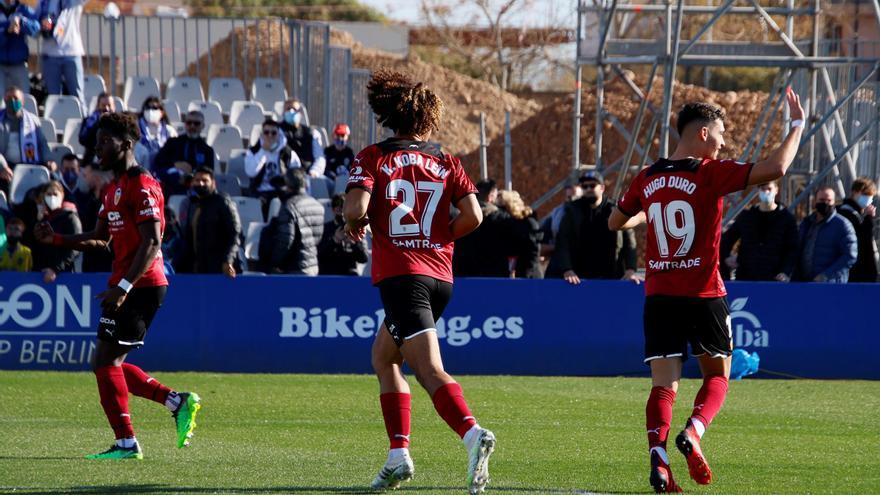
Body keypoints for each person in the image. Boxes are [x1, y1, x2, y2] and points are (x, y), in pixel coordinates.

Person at [609, 89, 805, 493]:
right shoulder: (708, 171)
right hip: (702, 293)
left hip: (659, 294)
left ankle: (658, 457)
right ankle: (694, 432)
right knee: (718, 375)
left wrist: (651, 208)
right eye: (720, 133)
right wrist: (798, 124)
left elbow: (615, 221)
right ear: (700, 134)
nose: (723, 142)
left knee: (663, 384)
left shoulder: (647, 177)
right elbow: (777, 167)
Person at [344, 69, 495, 494]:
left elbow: (356, 208)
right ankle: (398, 455)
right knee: (383, 357)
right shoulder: (447, 160)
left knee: (429, 370)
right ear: (427, 117)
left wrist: (353, 222)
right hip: (440, 277)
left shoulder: (373, 156)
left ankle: (473, 434)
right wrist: (438, 237)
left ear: (388, 114)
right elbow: (475, 216)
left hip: (402, 276)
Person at [34, 112, 200, 459]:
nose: (97, 149)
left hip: (142, 284)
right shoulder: (112, 190)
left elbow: (152, 242)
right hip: (127, 284)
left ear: (125, 144)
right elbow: (100, 239)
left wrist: (123, 286)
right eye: (96, 143)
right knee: (108, 362)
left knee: (105, 362)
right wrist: (58, 239)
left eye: (104, 142)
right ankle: (176, 402)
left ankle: (127, 442)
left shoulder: (142, 184)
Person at [546, 170, 638, 283]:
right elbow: (563, 242)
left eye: (592, 185)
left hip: (611, 276)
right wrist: (567, 270)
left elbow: (629, 243)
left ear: (602, 188)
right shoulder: (572, 210)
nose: (588, 189)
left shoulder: (615, 210)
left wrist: (630, 270)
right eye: (585, 186)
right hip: (580, 278)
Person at [719, 181, 798, 281]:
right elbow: (727, 239)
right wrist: (727, 256)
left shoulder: (786, 219)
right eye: (762, 189)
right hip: (746, 277)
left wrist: (785, 271)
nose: (766, 192)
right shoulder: (747, 216)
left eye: (769, 189)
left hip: (774, 278)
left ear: (776, 190)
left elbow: (792, 248)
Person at [175, 167, 240, 277]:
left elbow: (235, 234)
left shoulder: (223, 202)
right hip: (196, 267)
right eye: (197, 180)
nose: (200, 183)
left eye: (205, 180)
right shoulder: (191, 204)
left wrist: (228, 260)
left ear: (213, 183)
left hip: (219, 268)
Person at [793, 186, 857, 283]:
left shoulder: (843, 225)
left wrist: (826, 276)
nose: (825, 203)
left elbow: (850, 256)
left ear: (834, 202)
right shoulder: (806, 223)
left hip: (831, 286)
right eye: (822, 200)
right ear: (815, 201)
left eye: (829, 200)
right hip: (804, 283)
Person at [268, 167, 324, 275]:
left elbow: (286, 240)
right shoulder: (317, 205)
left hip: (295, 268)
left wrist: (274, 263)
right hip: (312, 266)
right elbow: (318, 237)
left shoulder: (289, 206)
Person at [453, 178, 511, 277]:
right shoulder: (502, 219)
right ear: (490, 196)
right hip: (494, 276)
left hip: (463, 275)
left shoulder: (460, 216)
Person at [153, 110, 215, 197]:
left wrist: (191, 177)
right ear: (185, 124)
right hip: (172, 188)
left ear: (203, 126)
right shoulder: (173, 142)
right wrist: (175, 164)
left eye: (196, 123)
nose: (192, 126)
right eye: (189, 123)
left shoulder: (207, 150)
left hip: (196, 189)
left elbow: (209, 173)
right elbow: (158, 161)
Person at [0, 86, 52, 187]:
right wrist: (2, 167)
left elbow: (42, 143)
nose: (12, 101)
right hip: (5, 167)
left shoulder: (33, 120)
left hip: (29, 164)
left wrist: (49, 159)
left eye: (15, 98)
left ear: (22, 101)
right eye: (9, 98)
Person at [37, 0, 86, 108]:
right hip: (50, 55)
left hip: (71, 53)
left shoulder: (74, 2)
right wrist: (42, 25)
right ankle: (56, 123)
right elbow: (36, 22)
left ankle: (83, 122)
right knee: (53, 99)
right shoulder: (43, 2)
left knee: (77, 96)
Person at [245, 118, 298, 214]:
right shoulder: (253, 151)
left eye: (273, 133)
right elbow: (251, 172)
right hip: (260, 192)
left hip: (282, 191)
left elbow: (297, 174)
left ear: (278, 135)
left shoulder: (288, 152)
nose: (270, 135)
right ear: (262, 135)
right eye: (266, 132)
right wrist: (263, 152)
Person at [31, 179, 81, 281]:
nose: (52, 197)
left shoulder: (70, 217)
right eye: (49, 194)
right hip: (41, 275)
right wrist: (37, 221)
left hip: (64, 275)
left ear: (62, 195)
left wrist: (55, 269)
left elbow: (76, 247)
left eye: (55, 194)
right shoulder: (42, 219)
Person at [72, 160, 112, 272]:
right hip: (90, 253)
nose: (83, 179)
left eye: (86, 175)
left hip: (108, 257)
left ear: (97, 178)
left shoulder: (112, 196)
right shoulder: (86, 197)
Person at [837, 177, 878, 282]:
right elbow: (863, 240)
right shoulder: (846, 213)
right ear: (855, 193)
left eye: (871, 196)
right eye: (866, 194)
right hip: (854, 272)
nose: (869, 199)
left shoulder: (856, 214)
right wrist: (868, 219)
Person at [495, 189, 543, 278]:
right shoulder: (505, 224)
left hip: (528, 275)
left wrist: (527, 273)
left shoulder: (528, 223)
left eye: (502, 207)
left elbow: (534, 251)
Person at [317, 193, 368, 275]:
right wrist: (334, 240)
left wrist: (354, 243)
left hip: (349, 274)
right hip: (329, 274)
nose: (341, 211)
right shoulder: (324, 229)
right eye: (338, 208)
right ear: (333, 210)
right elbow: (319, 255)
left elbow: (363, 258)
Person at [279, 98, 326, 177]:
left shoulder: (312, 133)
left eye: (294, 109)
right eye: (288, 109)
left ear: (300, 113)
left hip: (308, 175)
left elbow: (319, 158)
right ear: (283, 112)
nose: (291, 111)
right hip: (284, 175)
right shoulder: (274, 132)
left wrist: (314, 172)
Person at [0, 1, 38, 93]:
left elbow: (36, 29)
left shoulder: (23, 8)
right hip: (0, 65)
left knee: (24, 98)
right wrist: (7, 31)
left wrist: (21, 22)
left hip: (19, 65)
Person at [539, 178, 582, 258]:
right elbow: (540, 244)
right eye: (569, 197)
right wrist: (557, 247)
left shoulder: (589, 212)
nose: (572, 201)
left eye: (576, 198)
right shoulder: (557, 213)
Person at [133, 96, 176, 172]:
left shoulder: (169, 131)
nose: (150, 111)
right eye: (147, 108)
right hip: (142, 169)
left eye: (154, 108)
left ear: (162, 112)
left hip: (163, 169)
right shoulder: (136, 129)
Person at [79, 92, 116, 166]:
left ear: (114, 107)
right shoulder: (89, 122)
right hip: (91, 163)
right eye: (103, 105)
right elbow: (83, 139)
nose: (106, 108)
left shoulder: (118, 124)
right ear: (98, 106)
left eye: (109, 105)